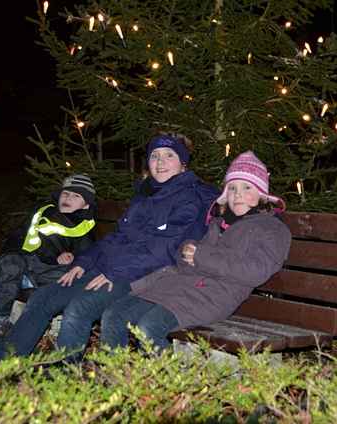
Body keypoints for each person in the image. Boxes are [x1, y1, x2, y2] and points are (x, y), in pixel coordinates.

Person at [0, 133, 219, 360]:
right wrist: (85, 261)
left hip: (145, 277)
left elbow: (165, 251)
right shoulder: (146, 195)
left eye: (169, 156)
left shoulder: (190, 199)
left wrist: (115, 272)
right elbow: (117, 237)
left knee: (79, 308)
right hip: (113, 268)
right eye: (155, 156)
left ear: (183, 164)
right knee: (43, 298)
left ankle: (64, 373)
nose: (160, 162)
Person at [100, 151, 292, 352]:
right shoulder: (219, 222)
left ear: (262, 194)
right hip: (181, 287)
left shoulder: (272, 228)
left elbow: (255, 271)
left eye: (247, 187)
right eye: (232, 188)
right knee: (114, 314)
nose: (238, 195)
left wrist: (200, 255)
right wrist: (188, 252)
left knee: (149, 327)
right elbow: (188, 259)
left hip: (214, 296)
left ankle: (168, 381)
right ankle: (119, 376)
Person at [0, 174, 97, 338]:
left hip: (50, 268)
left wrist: (72, 257)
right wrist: (11, 252)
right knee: (10, 263)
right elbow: (19, 234)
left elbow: (87, 253)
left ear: (86, 205)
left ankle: (56, 318)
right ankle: (0, 316)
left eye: (76, 196)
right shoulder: (43, 211)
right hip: (25, 259)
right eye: (65, 194)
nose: (68, 198)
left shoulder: (84, 225)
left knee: (68, 276)